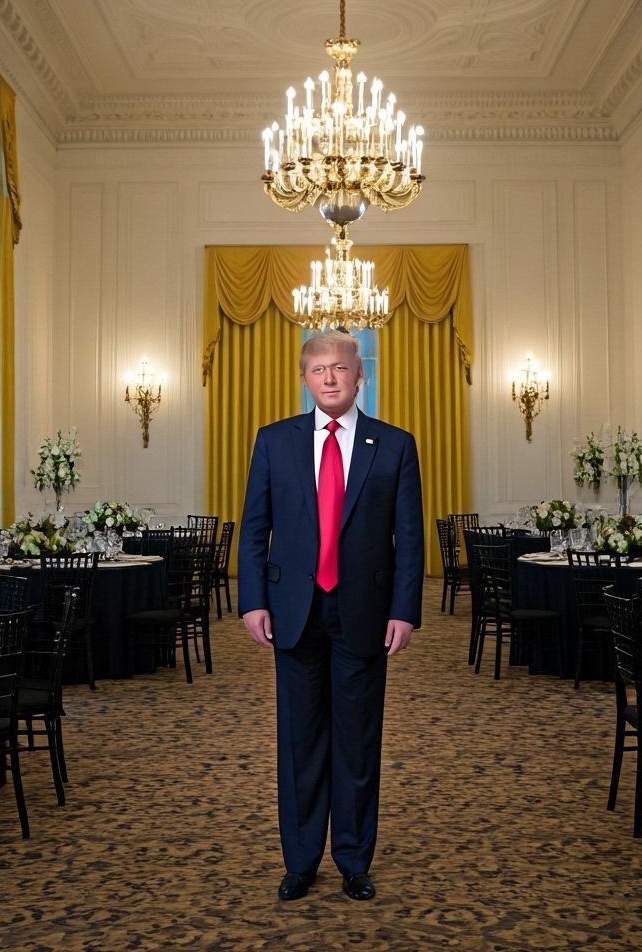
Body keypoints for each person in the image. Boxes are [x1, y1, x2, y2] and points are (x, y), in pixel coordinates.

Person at [238, 329, 424, 902]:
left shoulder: (394, 445)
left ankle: (353, 859)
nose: (330, 378)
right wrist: (252, 600)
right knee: (299, 742)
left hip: (365, 612)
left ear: (359, 375)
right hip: (293, 612)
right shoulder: (274, 441)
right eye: (318, 370)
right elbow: (255, 528)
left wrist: (405, 610)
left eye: (340, 368)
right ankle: (300, 861)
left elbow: (410, 539)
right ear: (304, 378)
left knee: (357, 744)